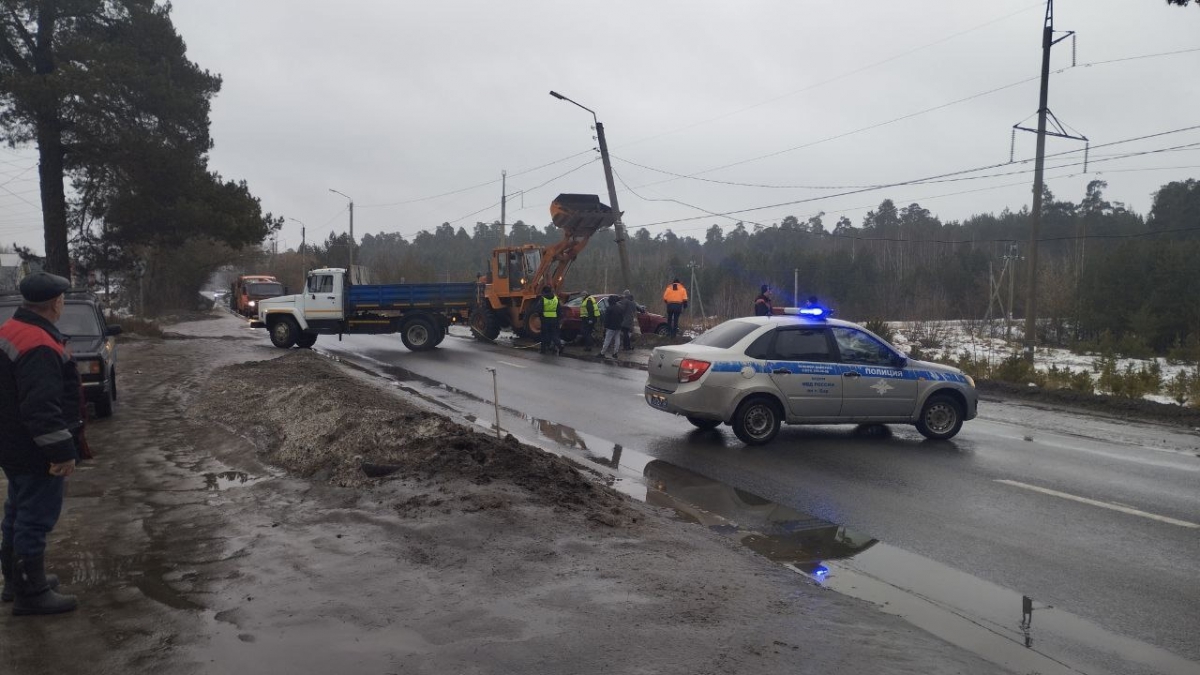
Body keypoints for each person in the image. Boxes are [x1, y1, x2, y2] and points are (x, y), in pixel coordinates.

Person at [0, 272, 81, 616]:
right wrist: (62, 453)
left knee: (17, 513)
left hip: (11, 443)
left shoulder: (10, 330)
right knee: (35, 517)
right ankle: (31, 594)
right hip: (33, 449)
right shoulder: (39, 344)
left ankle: (16, 583)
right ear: (54, 303)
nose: (63, 302)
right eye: (62, 298)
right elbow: (42, 409)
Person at [533, 286, 563, 355]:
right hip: (554, 320)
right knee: (554, 335)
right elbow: (559, 310)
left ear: (544, 292)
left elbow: (538, 310)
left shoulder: (543, 299)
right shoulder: (555, 299)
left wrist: (540, 316)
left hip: (545, 320)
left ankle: (543, 350)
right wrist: (558, 319)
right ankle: (560, 346)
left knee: (544, 335)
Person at [600, 295, 624, 360]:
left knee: (607, 340)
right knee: (617, 339)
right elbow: (622, 318)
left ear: (609, 301)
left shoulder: (609, 308)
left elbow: (606, 319)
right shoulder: (620, 308)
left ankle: (602, 353)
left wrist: (605, 327)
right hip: (618, 326)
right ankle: (615, 353)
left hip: (610, 327)